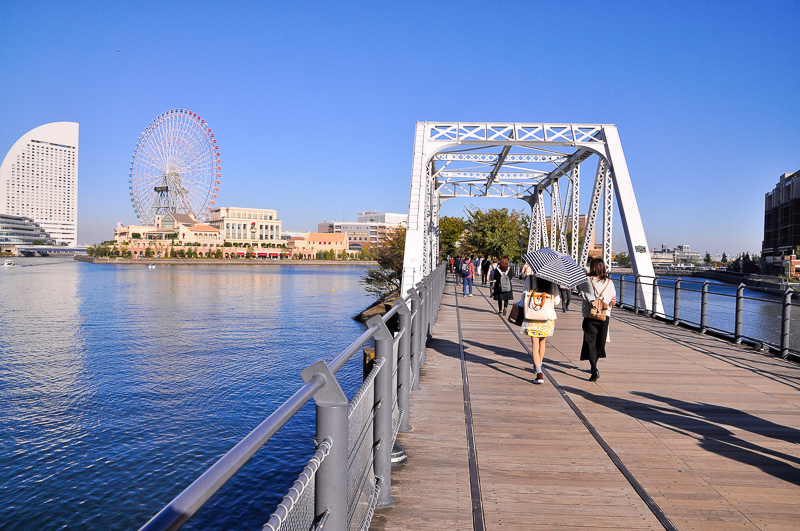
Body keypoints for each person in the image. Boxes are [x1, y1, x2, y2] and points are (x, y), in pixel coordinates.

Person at [578, 258, 617, 382]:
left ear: (592, 267)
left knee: (589, 341)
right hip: (605, 315)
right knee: (600, 342)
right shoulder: (609, 282)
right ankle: (594, 365)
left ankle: (594, 368)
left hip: (590, 315)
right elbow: (613, 299)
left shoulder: (586, 280)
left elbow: (579, 290)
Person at [520, 272, 560, 384]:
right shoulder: (552, 281)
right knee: (542, 342)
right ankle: (538, 364)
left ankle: (539, 373)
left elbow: (524, 296)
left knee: (534, 344)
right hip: (547, 317)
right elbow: (557, 301)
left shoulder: (530, 279)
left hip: (533, 316)